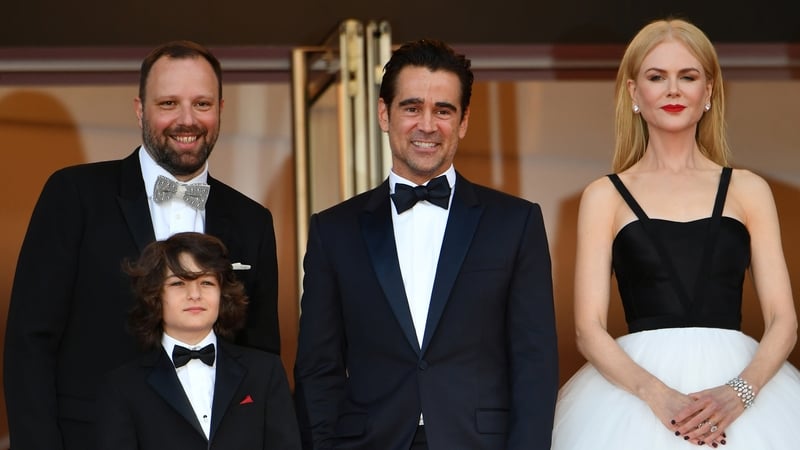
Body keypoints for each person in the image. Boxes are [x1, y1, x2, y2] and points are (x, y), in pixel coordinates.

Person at [4, 40, 281, 450]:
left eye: (202, 104)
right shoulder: (73, 195)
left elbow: (261, 358)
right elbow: (30, 341)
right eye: (168, 103)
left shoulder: (252, 220)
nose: (187, 120)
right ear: (139, 110)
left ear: (221, 109)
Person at [293, 39, 559, 450]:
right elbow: (317, 368)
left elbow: (535, 365)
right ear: (384, 114)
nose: (428, 125)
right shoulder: (334, 231)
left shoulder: (516, 223)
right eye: (412, 107)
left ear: (464, 121)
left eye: (444, 110)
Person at [551, 18, 800, 449]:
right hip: (633, 401)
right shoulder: (603, 196)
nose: (673, 90)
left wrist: (738, 394)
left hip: (746, 396)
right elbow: (587, 330)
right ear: (633, 93)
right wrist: (657, 395)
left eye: (688, 76)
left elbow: (784, 321)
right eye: (656, 76)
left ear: (709, 91)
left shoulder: (749, 189)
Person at [95, 232, 299, 449]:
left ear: (222, 293)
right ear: (154, 295)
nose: (194, 294)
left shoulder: (265, 373)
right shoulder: (122, 386)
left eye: (206, 282)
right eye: (178, 283)